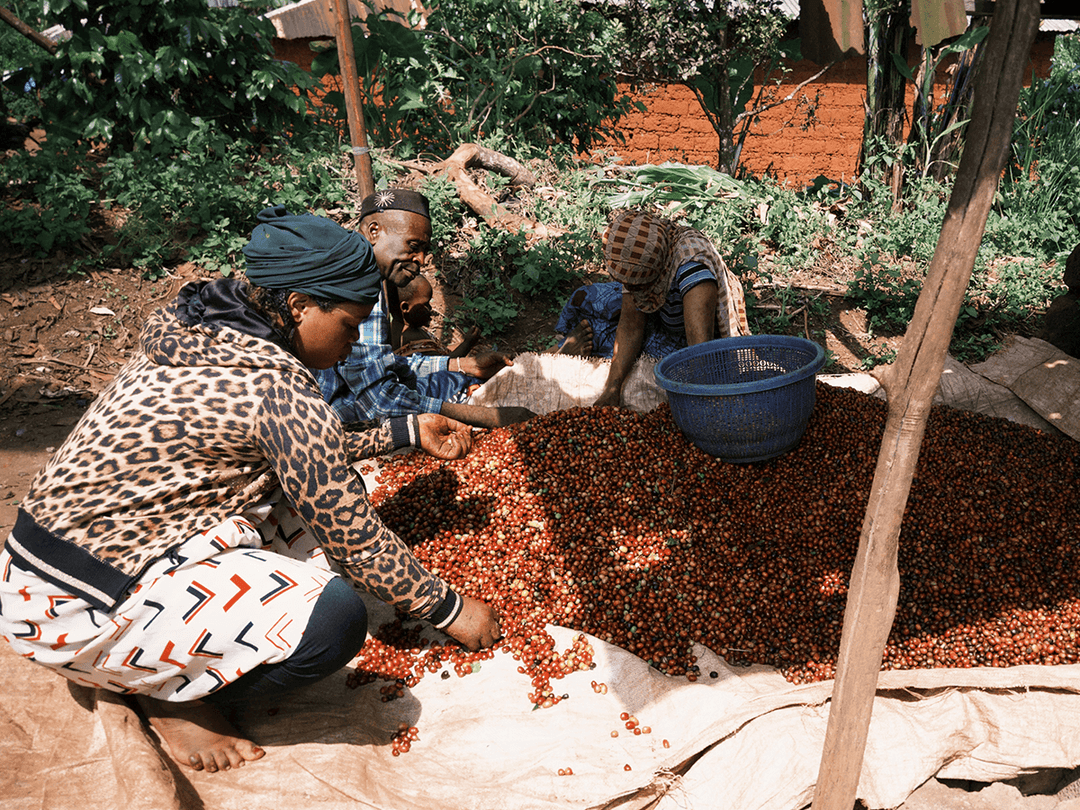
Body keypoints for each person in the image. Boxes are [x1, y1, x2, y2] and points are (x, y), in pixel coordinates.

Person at [0, 205, 501, 774]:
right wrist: (452, 610)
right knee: (333, 616)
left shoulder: (200, 331)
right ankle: (168, 694)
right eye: (348, 323)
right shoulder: (277, 388)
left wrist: (405, 430)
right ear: (299, 306)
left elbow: (289, 445)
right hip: (80, 614)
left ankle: (147, 660)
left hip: (33, 581)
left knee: (302, 504)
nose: (353, 340)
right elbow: (355, 540)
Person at [315, 189, 536, 430]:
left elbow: (380, 364)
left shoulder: (366, 276)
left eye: (424, 250)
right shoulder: (356, 281)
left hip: (338, 402)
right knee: (441, 393)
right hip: (328, 415)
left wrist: (462, 364)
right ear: (374, 231)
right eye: (413, 246)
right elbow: (379, 401)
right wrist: (483, 416)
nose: (421, 259)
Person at [556, 209, 750, 407]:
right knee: (587, 298)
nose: (630, 290)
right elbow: (631, 325)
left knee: (649, 378)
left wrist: (702, 405)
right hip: (659, 311)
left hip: (685, 338)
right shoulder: (642, 253)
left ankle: (568, 353)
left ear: (655, 274)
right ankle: (556, 351)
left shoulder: (693, 270)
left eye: (635, 286)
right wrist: (612, 389)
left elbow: (699, 352)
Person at [394, 273, 482, 359]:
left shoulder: (407, 327)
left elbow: (438, 349)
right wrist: (467, 345)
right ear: (405, 307)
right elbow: (446, 364)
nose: (430, 308)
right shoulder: (410, 342)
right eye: (426, 304)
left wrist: (463, 345)